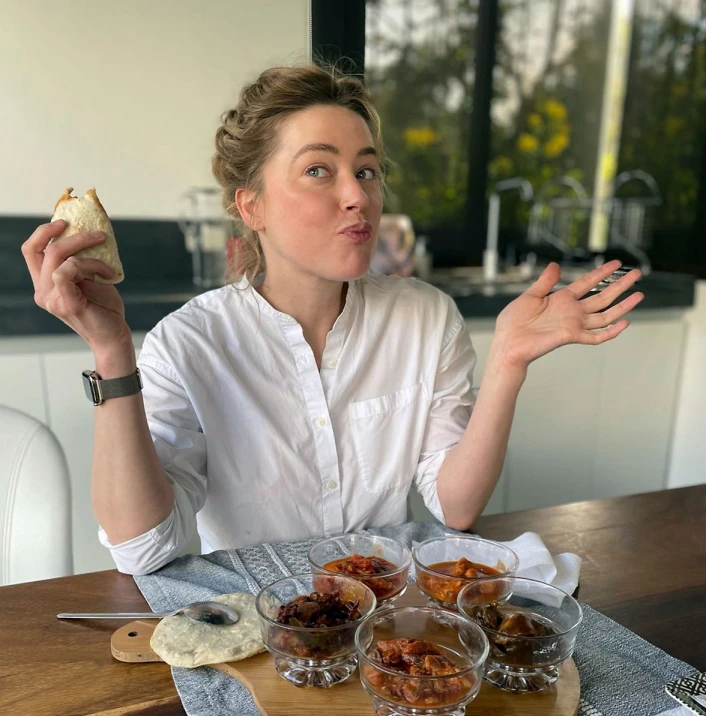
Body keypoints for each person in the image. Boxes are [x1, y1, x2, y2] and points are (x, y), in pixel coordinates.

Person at [21, 65, 643, 576]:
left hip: (383, 625)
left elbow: (455, 507)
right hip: (257, 632)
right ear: (251, 206)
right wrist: (112, 354)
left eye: (366, 171)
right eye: (319, 170)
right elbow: (142, 550)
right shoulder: (188, 344)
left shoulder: (426, 318)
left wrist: (507, 360)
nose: (358, 196)